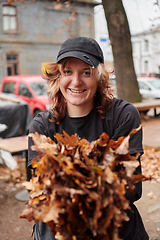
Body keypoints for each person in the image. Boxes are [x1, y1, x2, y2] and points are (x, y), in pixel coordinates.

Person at [28, 36, 149, 240]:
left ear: (99, 77)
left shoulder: (123, 115)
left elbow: (130, 189)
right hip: (62, 231)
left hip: (116, 231)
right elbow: (41, 192)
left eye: (86, 72)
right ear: (58, 76)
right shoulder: (42, 126)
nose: (76, 81)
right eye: (68, 71)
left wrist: (68, 179)